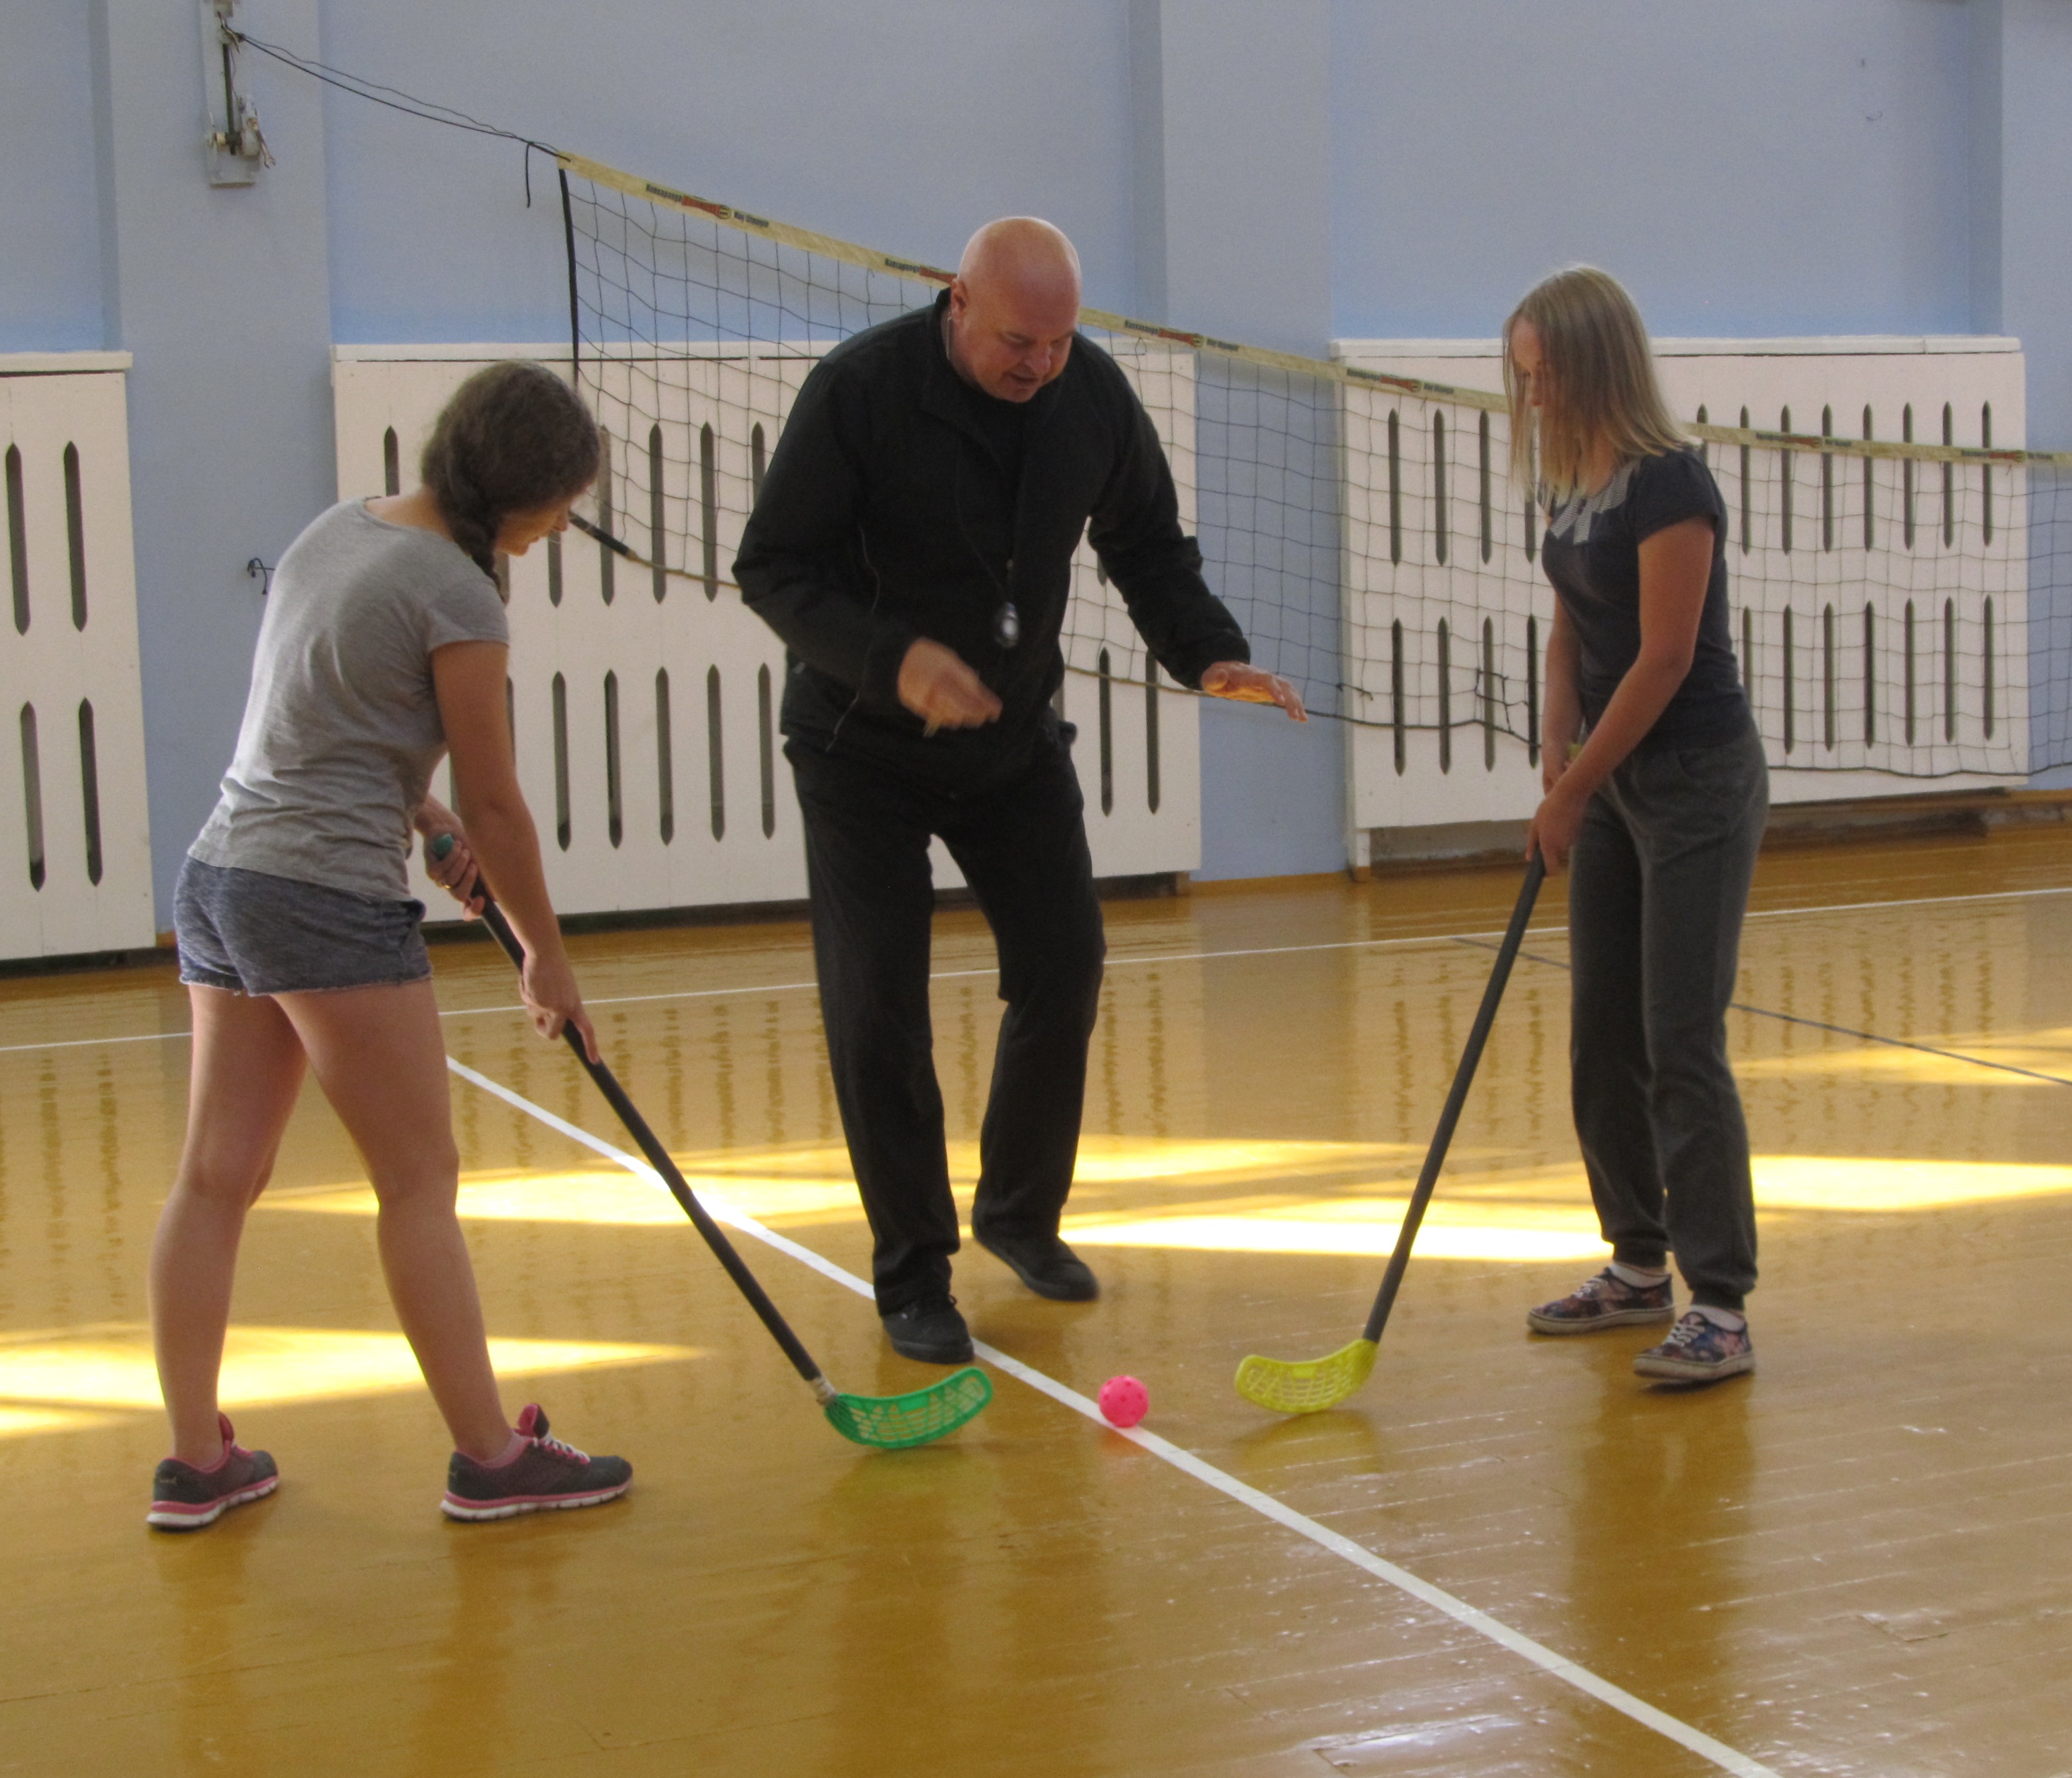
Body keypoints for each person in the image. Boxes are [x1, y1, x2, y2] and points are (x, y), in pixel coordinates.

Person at [735, 217, 1303, 1365]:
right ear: (957, 301)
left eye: (1055, 341)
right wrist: (894, 660)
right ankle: (912, 1275)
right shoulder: (858, 392)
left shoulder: (1089, 397)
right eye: (1015, 340)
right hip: (859, 747)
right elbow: (772, 568)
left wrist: (1207, 653)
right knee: (879, 1005)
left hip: (1010, 741)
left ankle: (1019, 1216)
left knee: (1065, 960)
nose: (1035, 363)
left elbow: (1147, 544)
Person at [146, 361, 634, 1528]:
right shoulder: (461, 593)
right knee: (419, 1181)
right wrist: (543, 955)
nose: (562, 525)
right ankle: (490, 1459)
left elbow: (316, 719)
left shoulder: (340, 527)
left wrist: (421, 817)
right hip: (320, 899)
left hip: (222, 875)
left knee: (217, 1178)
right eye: (560, 504)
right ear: (519, 495)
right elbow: (501, 800)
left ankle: (194, 1463)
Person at [1508, 266, 1770, 1384]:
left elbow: (1664, 657)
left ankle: (1720, 1303)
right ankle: (1635, 1264)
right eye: (1519, 378)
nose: (1529, 398)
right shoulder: (1572, 479)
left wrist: (1573, 791)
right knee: (1600, 1032)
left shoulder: (1672, 484)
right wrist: (1554, 743)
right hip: (1613, 781)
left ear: (1591, 364)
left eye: (1542, 374)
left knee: (1678, 1039)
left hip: (1697, 778)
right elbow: (1572, 626)